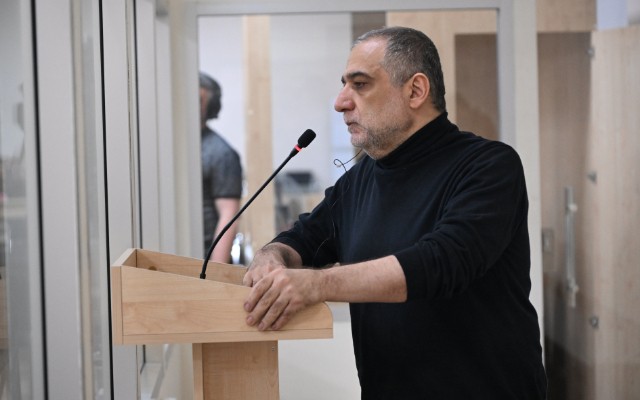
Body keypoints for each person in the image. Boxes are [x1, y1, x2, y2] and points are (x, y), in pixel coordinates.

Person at [242, 27, 547, 399]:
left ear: (415, 90)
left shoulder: (488, 166)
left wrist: (316, 285)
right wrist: (270, 256)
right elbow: (302, 240)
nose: (340, 102)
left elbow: (442, 261)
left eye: (360, 84)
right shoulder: (358, 181)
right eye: (344, 85)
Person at [199, 72, 243, 262]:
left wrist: (214, 271)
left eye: (198, 100)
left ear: (210, 106)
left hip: (202, 259)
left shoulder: (222, 153)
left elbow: (228, 216)